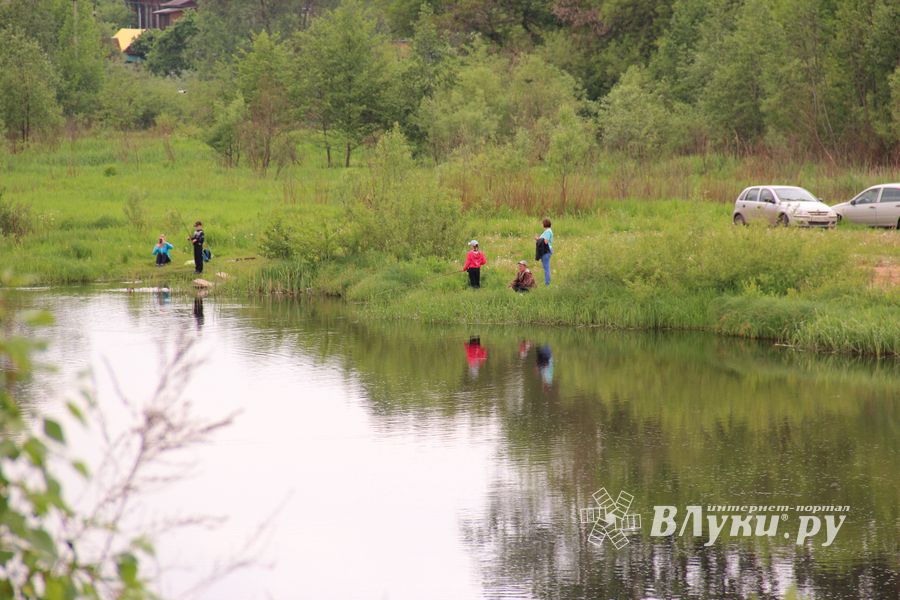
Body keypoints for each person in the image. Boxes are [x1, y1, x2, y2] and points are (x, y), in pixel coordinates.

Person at [534, 218, 553, 286]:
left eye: (542, 223)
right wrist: (539, 239)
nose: (541, 224)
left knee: (546, 268)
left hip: (546, 250)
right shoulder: (547, 231)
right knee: (545, 267)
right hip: (545, 250)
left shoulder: (548, 231)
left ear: (544, 224)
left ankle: (547, 284)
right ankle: (547, 282)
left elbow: (545, 241)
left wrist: (538, 239)